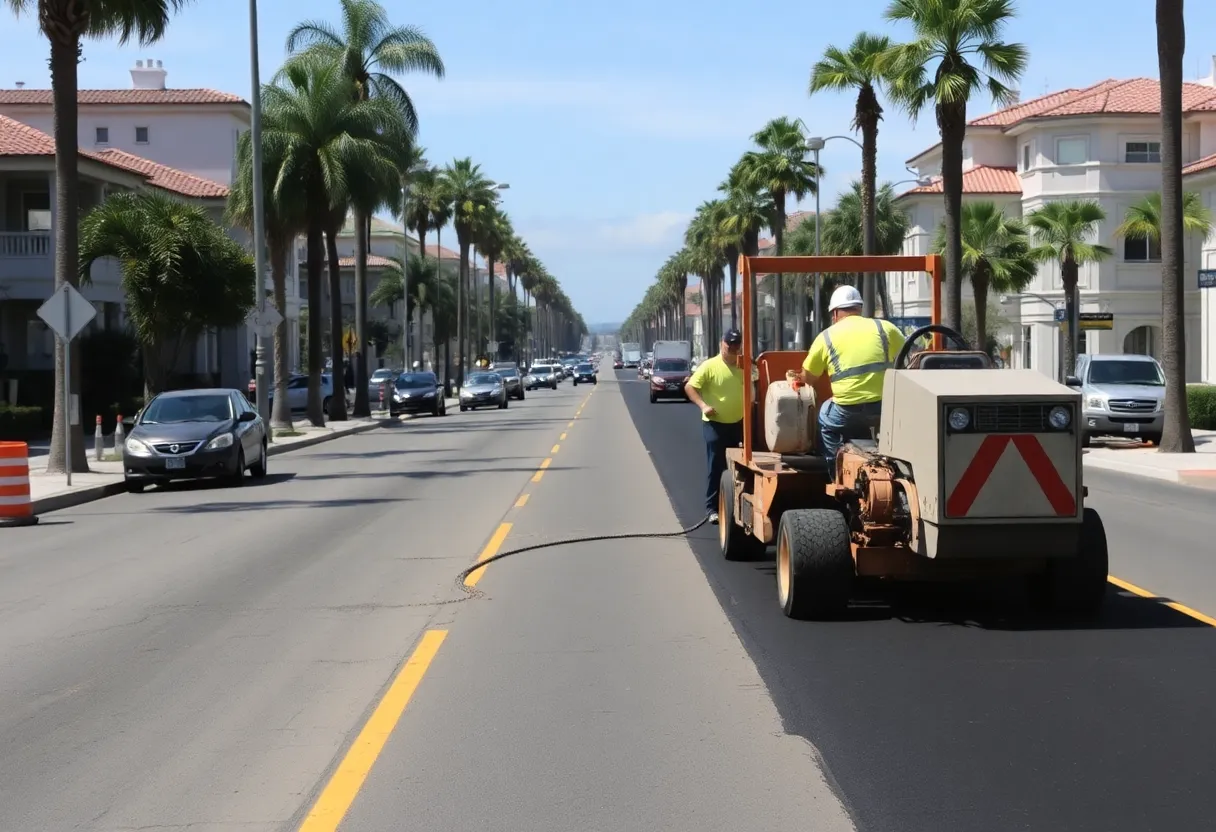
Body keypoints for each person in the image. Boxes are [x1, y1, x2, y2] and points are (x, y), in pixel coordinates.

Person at [800, 285, 906, 477]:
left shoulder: (826, 337)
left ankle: (835, 469)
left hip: (846, 411)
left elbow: (809, 378)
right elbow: (910, 355)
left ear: (835, 313)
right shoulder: (885, 328)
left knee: (824, 417)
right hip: (882, 408)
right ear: (859, 308)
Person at [685, 328, 745, 524]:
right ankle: (712, 508)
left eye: (737, 346)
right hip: (715, 424)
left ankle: (734, 504)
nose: (734, 349)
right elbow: (690, 387)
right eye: (730, 346)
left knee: (740, 467)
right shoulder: (710, 366)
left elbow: (757, 380)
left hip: (739, 423)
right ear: (722, 344)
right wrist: (703, 405)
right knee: (716, 465)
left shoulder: (744, 365)